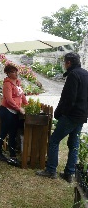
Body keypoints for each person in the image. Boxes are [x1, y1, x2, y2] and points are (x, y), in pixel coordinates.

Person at [36, 52, 88, 183]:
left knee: (54, 140)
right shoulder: (85, 74)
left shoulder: (74, 75)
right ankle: (69, 173)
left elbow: (69, 99)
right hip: (81, 116)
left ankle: (51, 170)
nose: (64, 65)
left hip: (71, 116)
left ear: (69, 62)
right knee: (74, 144)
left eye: (65, 62)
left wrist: (61, 113)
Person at [0, 63, 28, 166]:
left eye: (16, 71)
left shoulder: (17, 83)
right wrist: (19, 108)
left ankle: (13, 156)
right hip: (6, 111)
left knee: (13, 133)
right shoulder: (7, 84)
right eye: (13, 72)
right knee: (4, 132)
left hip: (14, 112)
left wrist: (26, 105)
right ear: (8, 73)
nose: (16, 73)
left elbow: (22, 96)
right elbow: (9, 100)